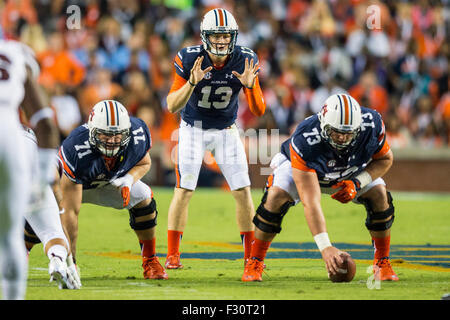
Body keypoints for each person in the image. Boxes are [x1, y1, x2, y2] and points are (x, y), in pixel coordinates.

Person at [242, 93, 399, 282]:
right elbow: (311, 202)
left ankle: (382, 263)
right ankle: (255, 261)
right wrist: (325, 247)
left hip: (348, 170)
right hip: (307, 171)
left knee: (380, 195)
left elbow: (385, 159)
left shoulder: (371, 124)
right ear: (324, 125)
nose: (342, 138)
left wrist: (357, 183)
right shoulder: (307, 139)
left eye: (348, 133)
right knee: (275, 198)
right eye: (336, 132)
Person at [165, 8, 266, 269]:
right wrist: (190, 82)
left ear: (233, 36)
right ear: (204, 36)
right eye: (216, 35)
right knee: (184, 189)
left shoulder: (245, 59)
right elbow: (171, 105)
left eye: (226, 35)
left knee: (243, 191)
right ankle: (173, 255)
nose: (221, 41)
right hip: (193, 128)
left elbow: (258, 110)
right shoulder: (189, 59)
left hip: (226, 130)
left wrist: (251, 86)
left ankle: (250, 257)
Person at [58, 100, 168, 280]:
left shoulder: (137, 135)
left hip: (109, 182)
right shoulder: (76, 148)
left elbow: (145, 163)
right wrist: (72, 263)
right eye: (105, 135)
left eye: (117, 136)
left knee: (143, 197)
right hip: (74, 185)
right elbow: (70, 212)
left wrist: (128, 180)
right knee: (38, 220)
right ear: (92, 131)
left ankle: (150, 261)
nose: (112, 141)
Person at [0, 37, 59, 299]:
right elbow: (45, 124)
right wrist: (44, 175)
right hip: (10, 137)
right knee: (10, 235)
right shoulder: (14, 54)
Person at [21, 126, 81, 289]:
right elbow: (54, 179)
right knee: (51, 232)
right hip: (27, 173)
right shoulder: (39, 148)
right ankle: (57, 260)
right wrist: (69, 262)